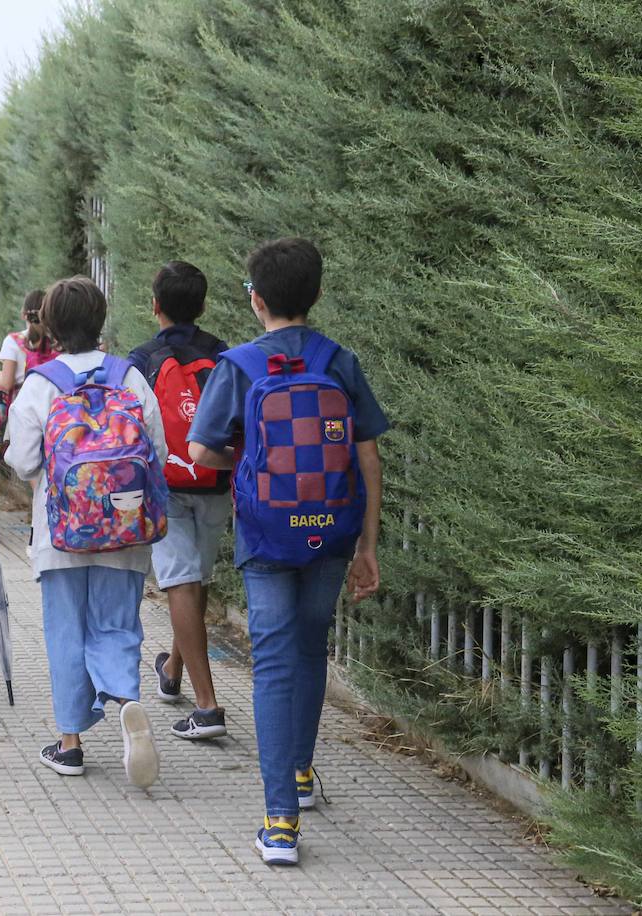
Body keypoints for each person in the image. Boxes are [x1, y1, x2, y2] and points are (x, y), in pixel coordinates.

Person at [187, 238, 387, 865]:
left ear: (256, 300)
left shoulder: (238, 365)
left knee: (272, 660)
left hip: (268, 533)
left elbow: (199, 452)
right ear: (318, 294)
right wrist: (368, 544)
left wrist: (247, 461)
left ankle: (280, 824)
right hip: (332, 531)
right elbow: (368, 454)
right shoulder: (340, 360)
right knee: (309, 645)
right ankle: (300, 772)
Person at [5, 276, 166, 788]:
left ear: (49, 326)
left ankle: (70, 743)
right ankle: (126, 701)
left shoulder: (41, 382)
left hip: (61, 532)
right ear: (101, 321)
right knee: (117, 624)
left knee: (65, 632)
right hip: (125, 526)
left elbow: (23, 458)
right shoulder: (130, 376)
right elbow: (155, 452)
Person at [127, 261, 230, 741]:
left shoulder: (142, 359)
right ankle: (172, 669)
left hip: (166, 484)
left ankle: (207, 707)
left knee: (180, 584)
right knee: (196, 579)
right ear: (203, 306)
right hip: (216, 479)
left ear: (155, 306)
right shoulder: (222, 355)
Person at [0, 289, 55, 394]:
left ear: (24, 314)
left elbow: (7, 384)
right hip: (52, 403)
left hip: (23, 404)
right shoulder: (57, 342)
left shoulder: (12, 341)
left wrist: (0, 376)